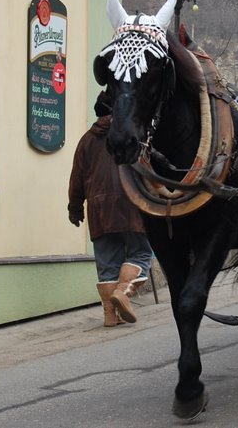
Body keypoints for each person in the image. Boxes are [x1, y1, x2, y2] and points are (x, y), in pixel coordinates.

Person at [67, 93, 152, 326]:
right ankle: (123, 291)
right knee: (142, 253)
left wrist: (75, 209)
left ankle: (109, 317)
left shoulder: (86, 140)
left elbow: (77, 179)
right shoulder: (135, 132)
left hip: (98, 209)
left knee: (107, 264)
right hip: (131, 204)